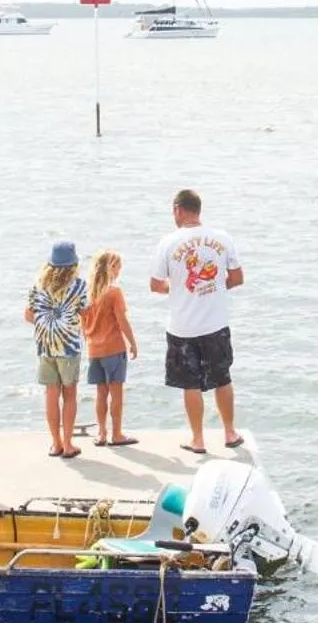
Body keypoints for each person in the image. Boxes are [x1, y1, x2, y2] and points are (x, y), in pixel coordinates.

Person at [149, 188, 245, 454]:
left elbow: (155, 285)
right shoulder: (222, 238)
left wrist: (179, 289)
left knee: (191, 384)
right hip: (216, 322)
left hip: (182, 326)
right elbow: (237, 278)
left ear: (178, 210)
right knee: (223, 378)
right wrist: (215, 287)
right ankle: (229, 432)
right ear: (198, 210)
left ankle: (198, 439)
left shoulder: (167, 243)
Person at [24, 240, 89, 459]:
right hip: (69, 346)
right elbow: (86, 314)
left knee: (50, 394)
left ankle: (55, 443)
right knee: (69, 394)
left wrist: (47, 324)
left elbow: (28, 315)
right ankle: (69, 444)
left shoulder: (38, 285)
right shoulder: (79, 286)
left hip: (44, 346)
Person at [82, 249, 140, 448]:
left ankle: (101, 433)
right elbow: (121, 320)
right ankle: (117, 434)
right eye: (118, 267)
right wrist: (132, 342)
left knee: (100, 393)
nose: (120, 271)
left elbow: (82, 323)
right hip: (114, 348)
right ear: (111, 268)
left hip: (94, 350)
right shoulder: (114, 292)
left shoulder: (87, 294)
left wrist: (89, 339)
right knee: (116, 392)